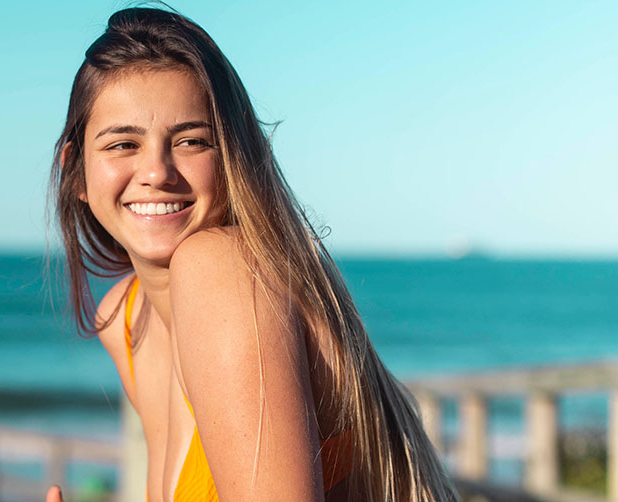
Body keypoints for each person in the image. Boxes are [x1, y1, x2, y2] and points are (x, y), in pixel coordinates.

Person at [47, 7, 457, 502]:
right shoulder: (125, 318)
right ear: (77, 175)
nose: (156, 171)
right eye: (122, 144)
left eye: (192, 141)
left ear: (238, 157)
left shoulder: (223, 270)